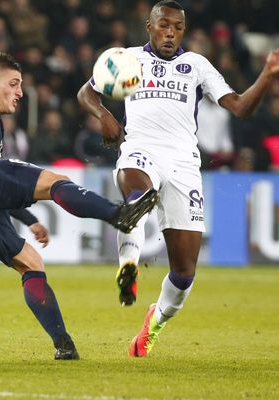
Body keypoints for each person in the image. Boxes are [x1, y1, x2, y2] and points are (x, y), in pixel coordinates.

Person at [77, 0, 279, 357]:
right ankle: (129, 265)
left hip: (184, 164)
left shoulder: (197, 66)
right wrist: (105, 115)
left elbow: (241, 108)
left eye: (178, 27)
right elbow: (86, 92)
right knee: (137, 197)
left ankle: (154, 323)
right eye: (163, 25)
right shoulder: (127, 59)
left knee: (184, 274)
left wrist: (266, 76)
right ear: (149, 26)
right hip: (141, 149)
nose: (170, 32)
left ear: (183, 31)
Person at [0, 52, 159, 360]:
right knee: (55, 181)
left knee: (30, 262)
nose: (20, 93)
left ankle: (63, 344)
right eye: (14, 84)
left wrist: (29, 219)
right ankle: (119, 215)